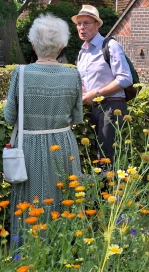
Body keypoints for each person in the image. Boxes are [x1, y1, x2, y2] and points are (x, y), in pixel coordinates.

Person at [4, 13, 83, 248]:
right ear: (61, 45)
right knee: (63, 198)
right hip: (63, 145)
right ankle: (63, 250)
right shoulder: (73, 74)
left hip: (27, 147)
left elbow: (9, 117)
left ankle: (26, 251)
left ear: (32, 43)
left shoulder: (22, 73)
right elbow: (77, 118)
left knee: (29, 200)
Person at [71, 5, 132, 165]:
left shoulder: (110, 46)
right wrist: (84, 94)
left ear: (97, 25)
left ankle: (111, 190)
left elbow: (125, 78)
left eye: (87, 23)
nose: (81, 28)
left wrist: (96, 94)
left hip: (112, 107)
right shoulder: (81, 52)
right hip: (94, 108)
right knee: (95, 160)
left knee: (106, 159)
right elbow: (84, 82)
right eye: (79, 24)